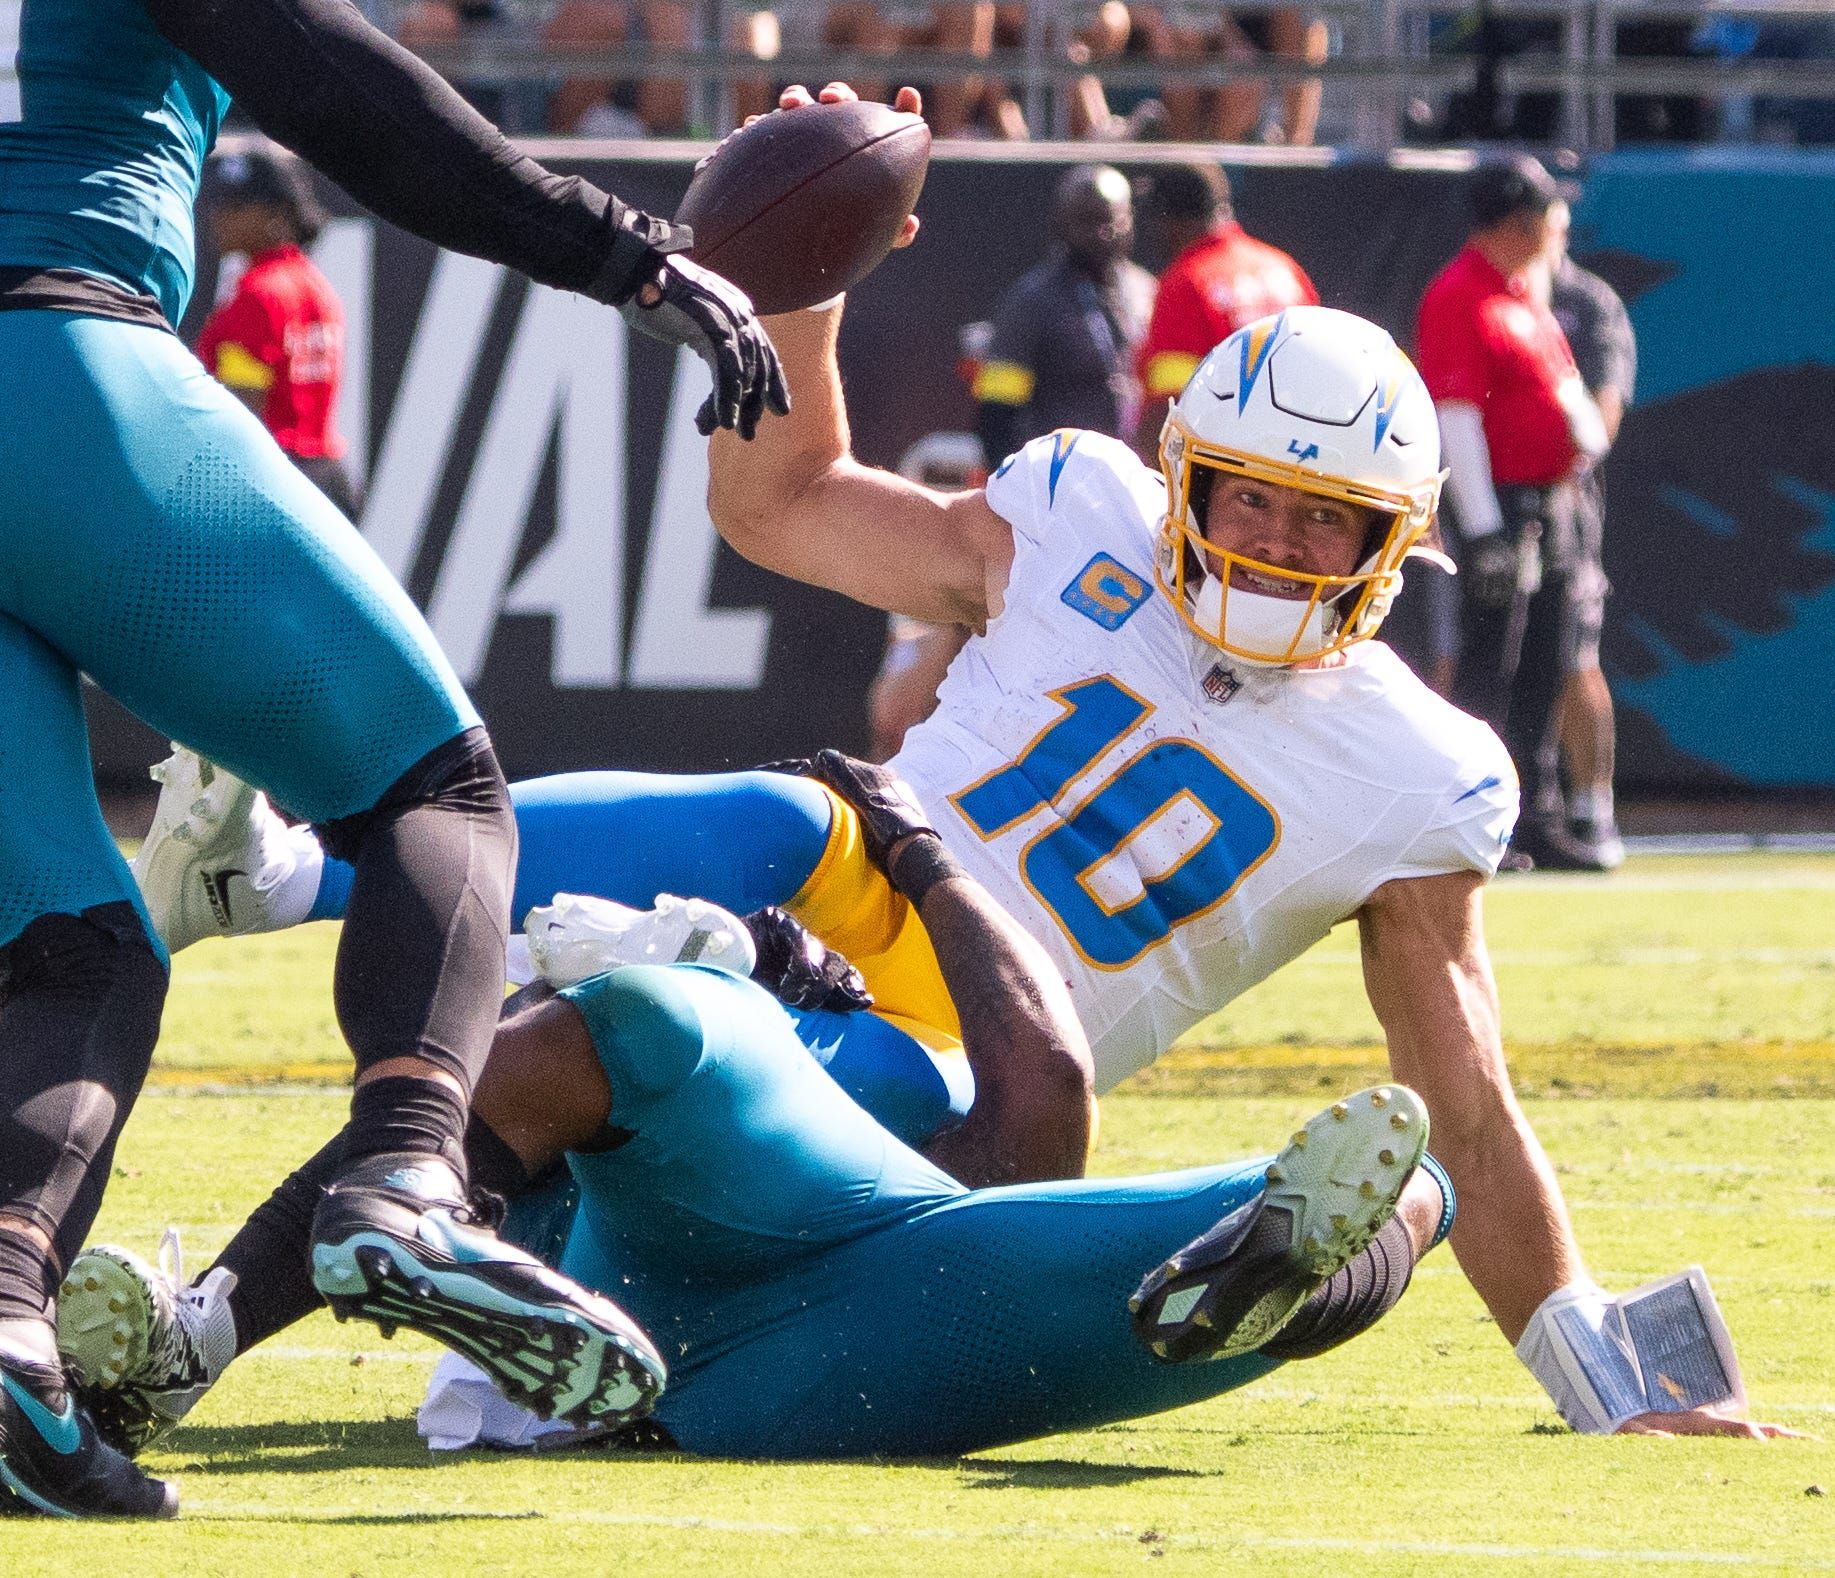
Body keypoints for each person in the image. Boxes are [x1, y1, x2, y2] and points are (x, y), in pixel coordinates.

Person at [698, 83, 1788, 1443]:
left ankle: (1154, 1299)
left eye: (1322, 519)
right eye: (1249, 496)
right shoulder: (1072, 517)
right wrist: (794, 291)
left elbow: (1465, 1096)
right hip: (789, 1002)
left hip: (972, 1128)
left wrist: (1595, 1370)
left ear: (1390, 542)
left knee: (1398, 1188)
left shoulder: (1414, 768)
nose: (1274, 542)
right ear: (1183, 476)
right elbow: (780, 500)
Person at [0, 0, 783, 1520]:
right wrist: (621, 249)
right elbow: (332, 84)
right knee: (434, 786)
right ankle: (409, 1168)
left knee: (70, 952)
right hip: (50, 357)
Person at [61, 758, 1450, 1460]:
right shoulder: (685, 1039)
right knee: (640, 1022)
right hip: (744, 1327)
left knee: (1380, 1195)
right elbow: (1042, 1112)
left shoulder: (812, 1071)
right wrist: (913, 863)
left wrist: (907, 861)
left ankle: (200, 1327)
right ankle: (207, 1321)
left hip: (787, 1315)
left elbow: (1042, 1118)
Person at [1416, 157, 1611, 872]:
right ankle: (1471, 823)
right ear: (1521, 220)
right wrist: (1484, 527)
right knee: (1483, 671)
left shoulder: (1520, 292)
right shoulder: (1459, 294)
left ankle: (1536, 819)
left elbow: (1560, 394)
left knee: (1543, 664)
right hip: (1499, 504)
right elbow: (1457, 415)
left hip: (1549, 502)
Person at [196, 142, 361, 518]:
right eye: (218, 202)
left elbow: (242, 413)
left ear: (277, 214)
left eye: (237, 205)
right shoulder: (315, 286)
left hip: (273, 483)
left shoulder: (258, 293)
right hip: (326, 479)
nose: (219, 216)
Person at [1544, 199, 1635, 869]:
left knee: (1575, 653)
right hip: (1492, 504)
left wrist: (1565, 456)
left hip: (1563, 503)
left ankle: (1591, 805)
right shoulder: (1484, 295)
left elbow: (1604, 410)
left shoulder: (1587, 302)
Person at [972, 164, 1156, 472]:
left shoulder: (1148, 290)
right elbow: (996, 414)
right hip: (1064, 481)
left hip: (1139, 478)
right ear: (1061, 224)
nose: (1102, 233)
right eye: (1087, 221)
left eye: (1112, 220)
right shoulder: (1031, 301)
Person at [1130, 161, 1316, 458]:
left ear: (1174, 221)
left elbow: (1167, 408)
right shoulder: (1286, 269)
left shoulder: (1186, 281)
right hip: (1296, 456)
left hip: (1224, 465)